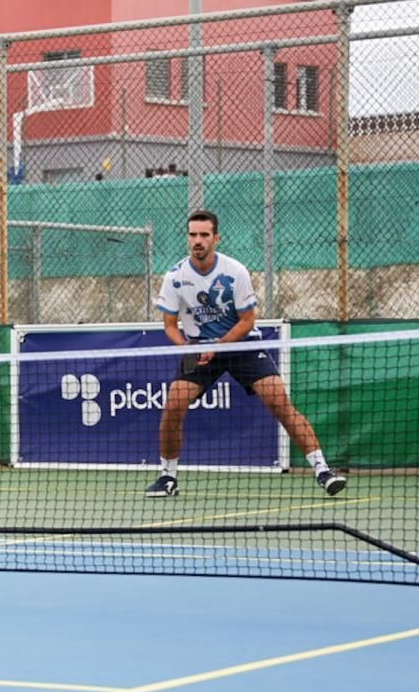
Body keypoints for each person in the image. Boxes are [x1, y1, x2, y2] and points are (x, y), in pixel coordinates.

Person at [147, 209, 343, 499]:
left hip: (241, 345)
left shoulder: (234, 272)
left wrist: (219, 346)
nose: (197, 240)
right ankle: (167, 477)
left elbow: (247, 321)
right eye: (193, 235)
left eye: (204, 235)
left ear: (216, 238)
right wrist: (188, 348)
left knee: (279, 401)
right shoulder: (175, 276)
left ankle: (323, 471)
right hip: (200, 348)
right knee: (173, 406)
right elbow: (170, 325)